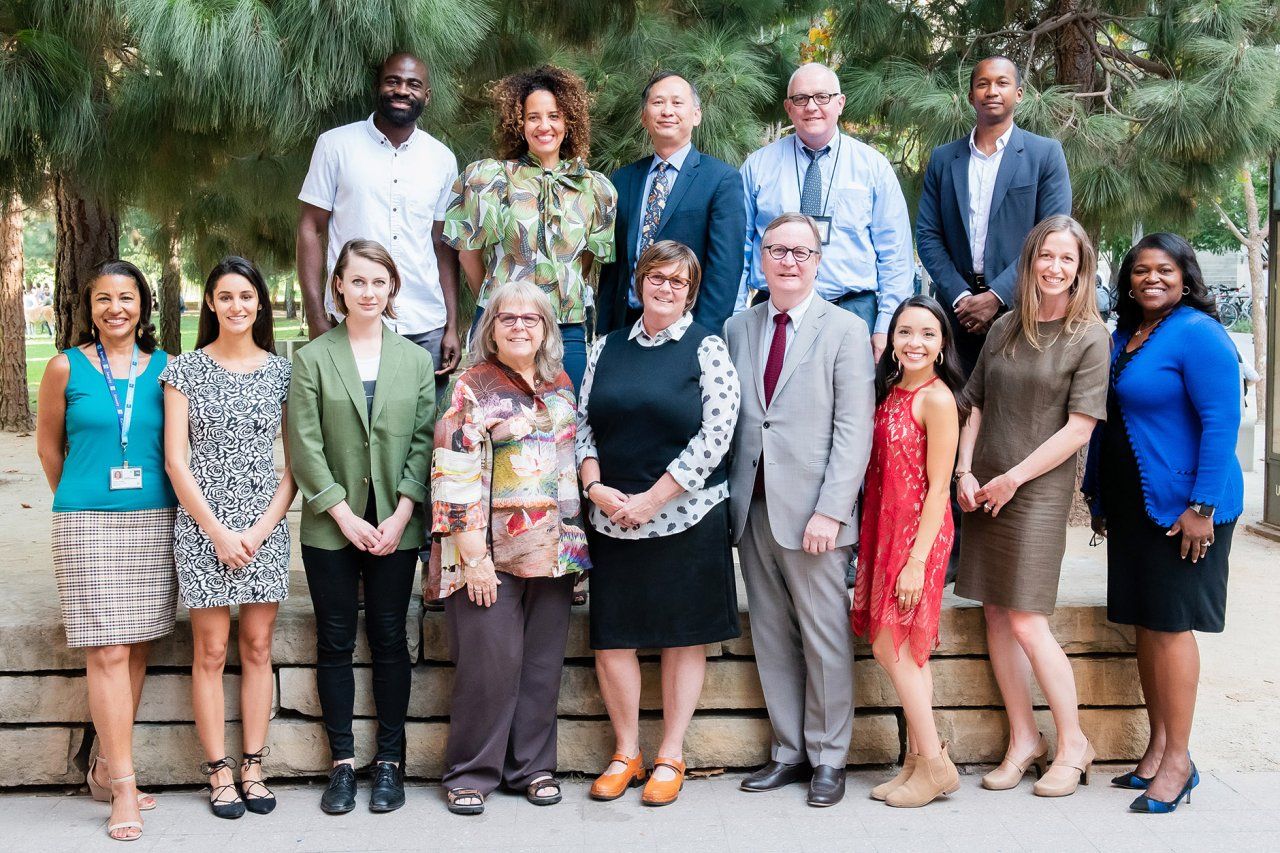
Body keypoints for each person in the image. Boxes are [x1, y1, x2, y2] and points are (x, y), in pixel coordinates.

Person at [1083, 234, 1243, 814]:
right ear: (1127, 279)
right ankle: (1156, 752)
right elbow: (1109, 420)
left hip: (1185, 512)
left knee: (1172, 628)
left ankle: (1180, 762)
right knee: (1148, 628)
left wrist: (1201, 508)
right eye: (1141, 270)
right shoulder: (1128, 336)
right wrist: (1097, 491)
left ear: (1186, 275)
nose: (1152, 278)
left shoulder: (1198, 334)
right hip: (1134, 508)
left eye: (1165, 269)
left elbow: (1223, 420)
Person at [578, 241, 741, 807]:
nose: (665, 287)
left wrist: (653, 498)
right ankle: (627, 752)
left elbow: (717, 433)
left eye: (677, 281)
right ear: (638, 283)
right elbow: (583, 426)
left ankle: (671, 752)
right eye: (656, 277)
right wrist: (595, 486)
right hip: (611, 515)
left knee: (680, 637)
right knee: (613, 639)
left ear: (691, 292)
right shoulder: (605, 349)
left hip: (685, 516)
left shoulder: (708, 349)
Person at [953, 215, 1110, 797]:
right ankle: (1024, 738)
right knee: (996, 613)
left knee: (1026, 618)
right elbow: (977, 405)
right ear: (1030, 260)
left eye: (1067, 259)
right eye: (1046, 255)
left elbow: (1079, 428)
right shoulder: (1005, 328)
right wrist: (966, 471)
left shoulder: (1090, 334)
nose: (1055, 267)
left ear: (1081, 268)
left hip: (1036, 489)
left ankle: (1073, 742)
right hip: (987, 482)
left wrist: (1013, 478)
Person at [724, 213, 875, 807]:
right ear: (761, 258)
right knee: (770, 632)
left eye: (800, 251)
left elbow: (853, 428)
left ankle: (829, 759)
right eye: (777, 250)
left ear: (817, 260)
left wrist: (833, 511)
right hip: (752, 505)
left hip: (814, 512)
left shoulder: (843, 329)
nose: (788, 261)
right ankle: (788, 752)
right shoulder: (738, 327)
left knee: (824, 636)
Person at [427, 281, 588, 816]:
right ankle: (471, 772)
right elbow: (453, 476)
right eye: (508, 318)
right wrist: (473, 559)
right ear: (489, 328)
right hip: (486, 555)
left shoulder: (561, 385)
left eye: (532, 319)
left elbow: (569, 466)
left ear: (546, 329)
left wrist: (575, 549)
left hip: (554, 554)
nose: (520, 326)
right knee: (490, 667)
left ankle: (533, 767)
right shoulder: (470, 388)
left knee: (541, 667)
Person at [287, 239, 436, 815]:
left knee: (391, 638)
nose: (368, 291)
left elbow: (424, 442)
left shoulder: (416, 361)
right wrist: (344, 514)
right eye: (358, 281)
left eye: (379, 282)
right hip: (332, 528)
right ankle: (343, 764)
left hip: (397, 527)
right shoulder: (312, 358)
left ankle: (391, 763)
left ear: (392, 289)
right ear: (339, 287)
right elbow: (305, 444)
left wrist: (401, 514)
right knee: (335, 640)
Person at [35, 261, 178, 842]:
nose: (115, 308)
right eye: (102, 299)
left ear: (144, 304)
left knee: (137, 644)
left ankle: (101, 765)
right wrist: (81, 497)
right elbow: (49, 449)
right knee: (109, 651)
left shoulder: (168, 368)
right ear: (89, 307)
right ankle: (123, 785)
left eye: (126, 297)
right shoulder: (64, 366)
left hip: (152, 519)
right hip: (88, 522)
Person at [161, 257, 295, 819]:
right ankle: (217, 770)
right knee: (212, 650)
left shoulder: (282, 371)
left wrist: (261, 529)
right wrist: (216, 532)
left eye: (246, 296)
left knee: (258, 647)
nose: (236, 305)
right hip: (203, 529)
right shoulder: (184, 370)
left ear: (259, 303)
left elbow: (294, 466)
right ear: (209, 304)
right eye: (225, 296)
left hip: (265, 526)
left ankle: (254, 764)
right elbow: (175, 460)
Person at [853, 295, 966, 808]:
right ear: (891, 340)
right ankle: (919, 761)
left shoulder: (938, 400)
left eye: (927, 334)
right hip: (884, 525)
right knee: (905, 652)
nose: (914, 343)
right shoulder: (891, 390)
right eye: (904, 332)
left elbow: (939, 489)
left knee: (891, 646)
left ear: (943, 344)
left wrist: (917, 562)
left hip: (919, 532)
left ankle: (936, 765)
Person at [443, 65, 618, 392]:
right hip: (502, 325)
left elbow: (584, 264)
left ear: (569, 121)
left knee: (567, 420)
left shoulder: (595, 189)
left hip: (567, 326)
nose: (544, 126)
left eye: (554, 115)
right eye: (533, 117)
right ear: (518, 122)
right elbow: (468, 255)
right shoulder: (490, 179)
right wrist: (501, 304)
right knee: (495, 420)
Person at [297, 51, 462, 393]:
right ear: (378, 87)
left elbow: (442, 244)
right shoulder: (335, 146)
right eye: (393, 81)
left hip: (423, 327)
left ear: (426, 96)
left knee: (421, 442)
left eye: (413, 84)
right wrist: (315, 316)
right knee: (353, 436)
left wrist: (451, 324)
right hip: (350, 322)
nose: (403, 90)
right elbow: (310, 228)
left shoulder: (442, 159)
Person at [736, 62, 913, 362]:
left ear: (840, 103)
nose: (811, 107)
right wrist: (737, 316)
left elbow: (895, 255)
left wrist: (887, 326)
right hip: (774, 312)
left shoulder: (872, 167)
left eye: (822, 97)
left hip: (853, 310)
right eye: (801, 99)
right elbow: (738, 250)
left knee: (848, 405)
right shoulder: (757, 167)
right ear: (788, 108)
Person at [916, 55, 1072, 376]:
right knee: (955, 410)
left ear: (1019, 93)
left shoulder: (1045, 154)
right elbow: (928, 236)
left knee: (1013, 415)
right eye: (983, 84)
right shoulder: (944, 159)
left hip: (1021, 309)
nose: (992, 91)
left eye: (1002, 83)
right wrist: (961, 297)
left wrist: (997, 296)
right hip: (955, 313)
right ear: (971, 94)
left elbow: (1052, 237)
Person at [595, 72, 745, 337]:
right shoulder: (624, 178)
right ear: (644, 117)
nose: (667, 111)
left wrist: (700, 336)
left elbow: (724, 271)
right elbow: (613, 267)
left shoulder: (721, 180)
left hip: (684, 328)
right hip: (624, 324)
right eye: (658, 103)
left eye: (677, 103)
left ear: (696, 115)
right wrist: (605, 331)